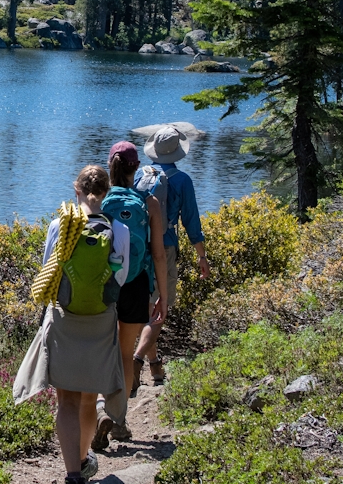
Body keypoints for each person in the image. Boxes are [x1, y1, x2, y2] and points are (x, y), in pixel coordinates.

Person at [13, 165, 129, 484]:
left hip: (64, 319)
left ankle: (73, 474)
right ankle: (83, 456)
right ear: (107, 193)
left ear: (75, 190)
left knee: (67, 401)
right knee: (89, 397)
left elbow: (49, 270)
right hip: (102, 322)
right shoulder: (119, 230)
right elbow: (121, 278)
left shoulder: (58, 227)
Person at [91, 141, 168, 450]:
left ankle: (98, 408)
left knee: (103, 350)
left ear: (110, 165)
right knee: (125, 353)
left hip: (106, 284)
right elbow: (159, 255)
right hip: (136, 284)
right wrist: (162, 293)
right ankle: (118, 419)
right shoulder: (149, 203)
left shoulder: (99, 199)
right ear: (137, 168)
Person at [132, 124, 209, 387]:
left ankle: (155, 368)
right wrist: (202, 257)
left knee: (147, 308)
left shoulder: (140, 176)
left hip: (140, 248)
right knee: (160, 310)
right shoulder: (182, 181)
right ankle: (138, 357)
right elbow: (191, 222)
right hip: (165, 248)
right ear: (177, 152)